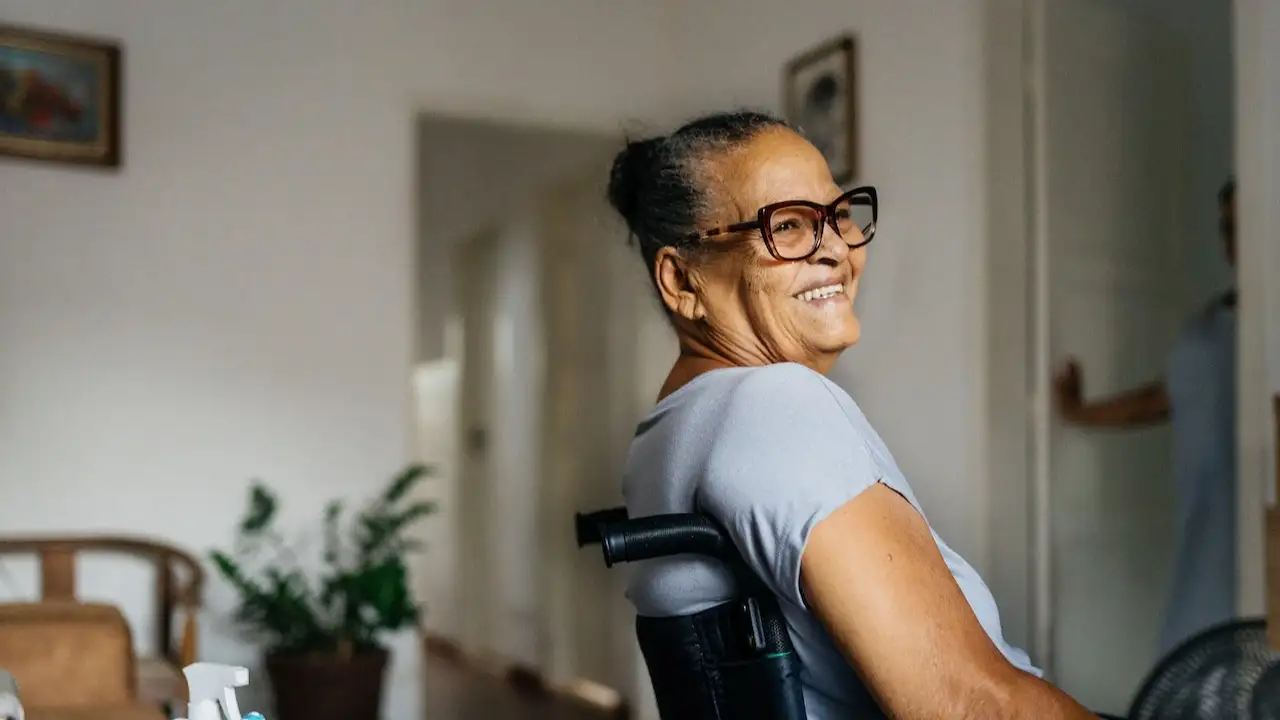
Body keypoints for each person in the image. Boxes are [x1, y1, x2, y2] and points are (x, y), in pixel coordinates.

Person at [609, 110, 1094, 718]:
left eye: (838, 216)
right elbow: (972, 705)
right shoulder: (773, 403)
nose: (836, 250)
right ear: (682, 281)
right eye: (786, 225)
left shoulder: (666, 433)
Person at [1053, 179, 1238, 655]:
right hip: (1204, 538)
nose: (1234, 241)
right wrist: (1078, 411)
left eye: (1244, 224)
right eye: (1226, 228)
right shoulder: (1214, 322)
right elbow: (1165, 398)